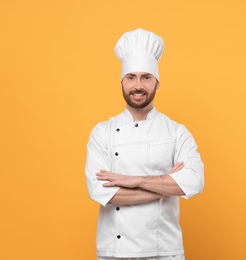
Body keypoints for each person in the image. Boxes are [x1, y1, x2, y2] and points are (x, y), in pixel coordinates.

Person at [85, 28, 204, 260]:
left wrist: (133, 180)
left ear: (157, 82)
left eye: (146, 77)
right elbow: (100, 191)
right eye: (131, 77)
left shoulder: (176, 132)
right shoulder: (102, 133)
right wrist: (165, 184)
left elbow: (194, 181)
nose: (138, 85)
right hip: (114, 252)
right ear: (121, 82)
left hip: (164, 251)